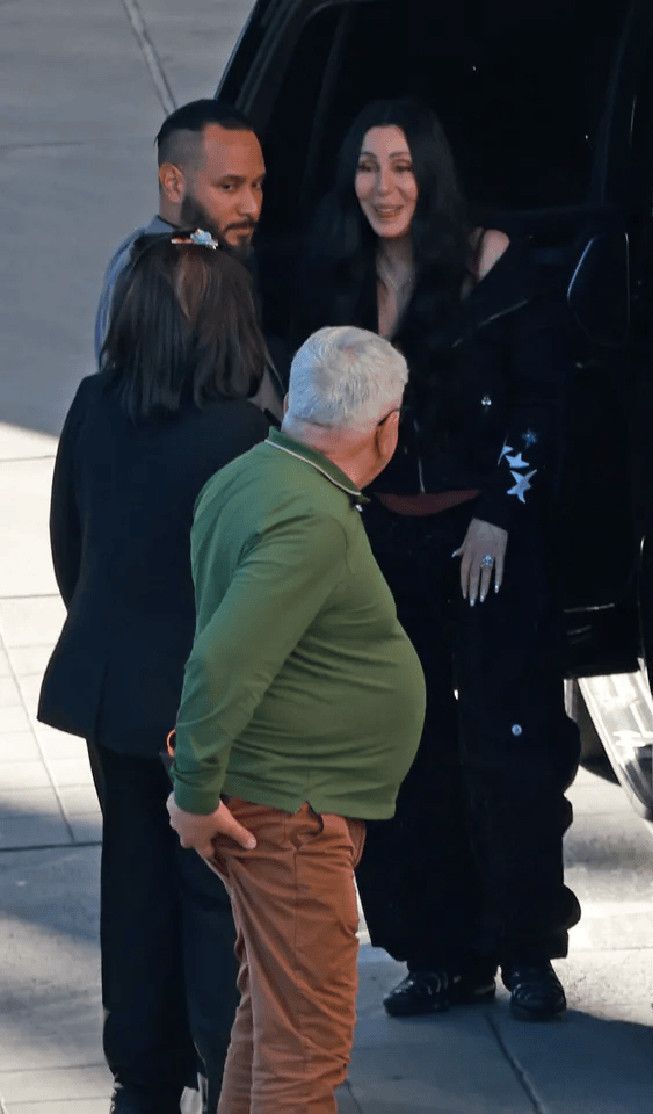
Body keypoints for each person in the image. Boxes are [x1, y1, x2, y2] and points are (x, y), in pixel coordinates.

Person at [294, 99, 581, 1021]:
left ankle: (527, 950)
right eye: (368, 166)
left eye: (403, 166)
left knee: (510, 743)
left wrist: (502, 513)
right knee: (401, 751)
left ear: (432, 175)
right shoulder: (334, 280)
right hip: (381, 541)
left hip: (484, 540)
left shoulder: (492, 263)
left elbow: (542, 401)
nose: (384, 186)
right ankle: (437, 955)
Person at [38, 233, 275, 1113]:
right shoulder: (244, 435)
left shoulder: (94, 406)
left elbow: (70, 546)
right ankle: (223, 1072)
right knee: (213, 897)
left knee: (133, 881)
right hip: (206, 705)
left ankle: (141, 1075)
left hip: (114, 695)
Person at [165, 325, 425, 1114]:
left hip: (275, 801)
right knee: (307, 1051)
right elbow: (222, 660)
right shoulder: (310, 518)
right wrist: (193, 793)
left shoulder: (250, 475)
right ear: (385, 428)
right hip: (292, 815)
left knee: (271, 1029)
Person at [94, 98, 282, 419]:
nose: (251, 206)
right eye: (229, 186)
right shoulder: (157, 277)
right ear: (173, 183)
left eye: (257, 185)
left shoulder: (214, 256)